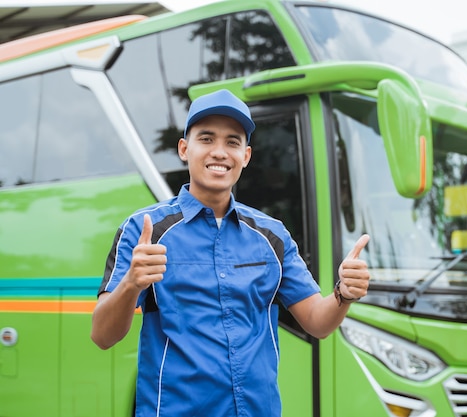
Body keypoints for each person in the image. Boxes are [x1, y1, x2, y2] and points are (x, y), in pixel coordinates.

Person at [91, 89, 370, 417]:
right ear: (185, 149)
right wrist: (131, 284)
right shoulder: (144, 229)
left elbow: (318, 323)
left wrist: (343, 293)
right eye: (206, 139)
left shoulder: (271, 235)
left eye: (233, 142)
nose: (220, 152)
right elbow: (102, 336)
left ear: (246, 155)